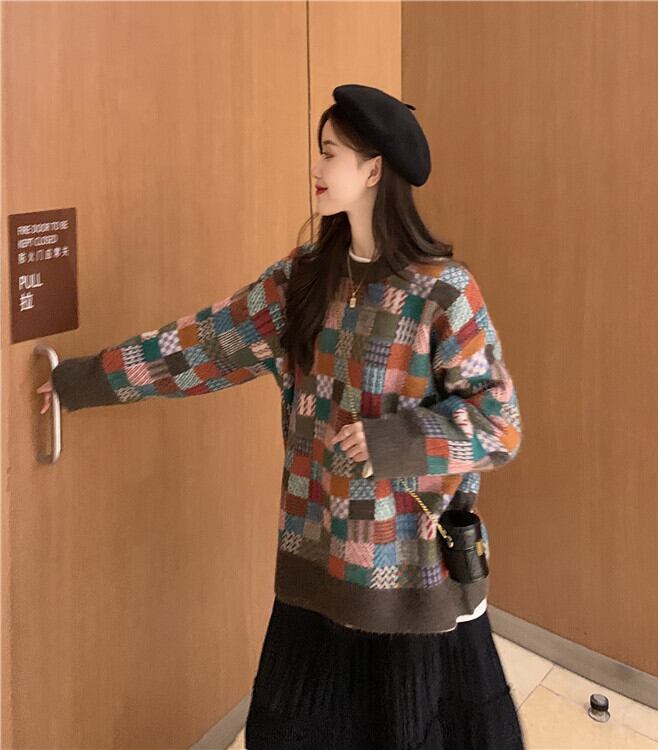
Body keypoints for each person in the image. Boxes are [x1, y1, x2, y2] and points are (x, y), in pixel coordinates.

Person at [37, 84, 525, 749]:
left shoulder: (443, 292)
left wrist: (394, 440)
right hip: (316, 566)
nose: (316, 168)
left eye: (330, 153)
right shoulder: (302, 280)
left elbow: (499, 424)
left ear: (373, 170)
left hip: (413, 583)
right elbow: (203, 346)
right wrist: (79, 382)